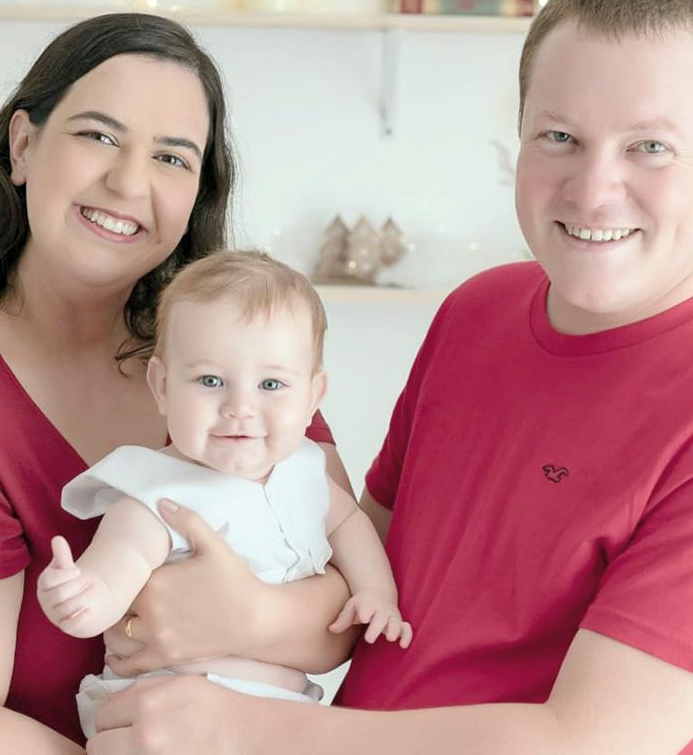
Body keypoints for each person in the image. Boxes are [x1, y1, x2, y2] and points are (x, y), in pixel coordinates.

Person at [81, 0, 693, 754]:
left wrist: (245, 727)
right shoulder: (479, 312)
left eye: (649, 146)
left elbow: (584, 743)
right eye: (559, 136)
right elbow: (359, 576)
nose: (592, 189)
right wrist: (243, 619)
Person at [0, 14, 358, 753]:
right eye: (99, 136)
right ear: (22, 146)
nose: (129, 181)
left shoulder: (239, 359)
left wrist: (242, 622)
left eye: (173, 158)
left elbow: (348, 618)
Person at [36, 251, 411, 735]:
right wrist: (83, 598)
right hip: (164, 722)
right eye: (210, 380)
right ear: (163, 386)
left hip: (277, 721)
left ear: (313, 396)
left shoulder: (306, 471)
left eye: (271, 383)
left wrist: (376, 593)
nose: (240, 407)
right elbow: (119, 564)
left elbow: (350, 525)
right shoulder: (156, 492)